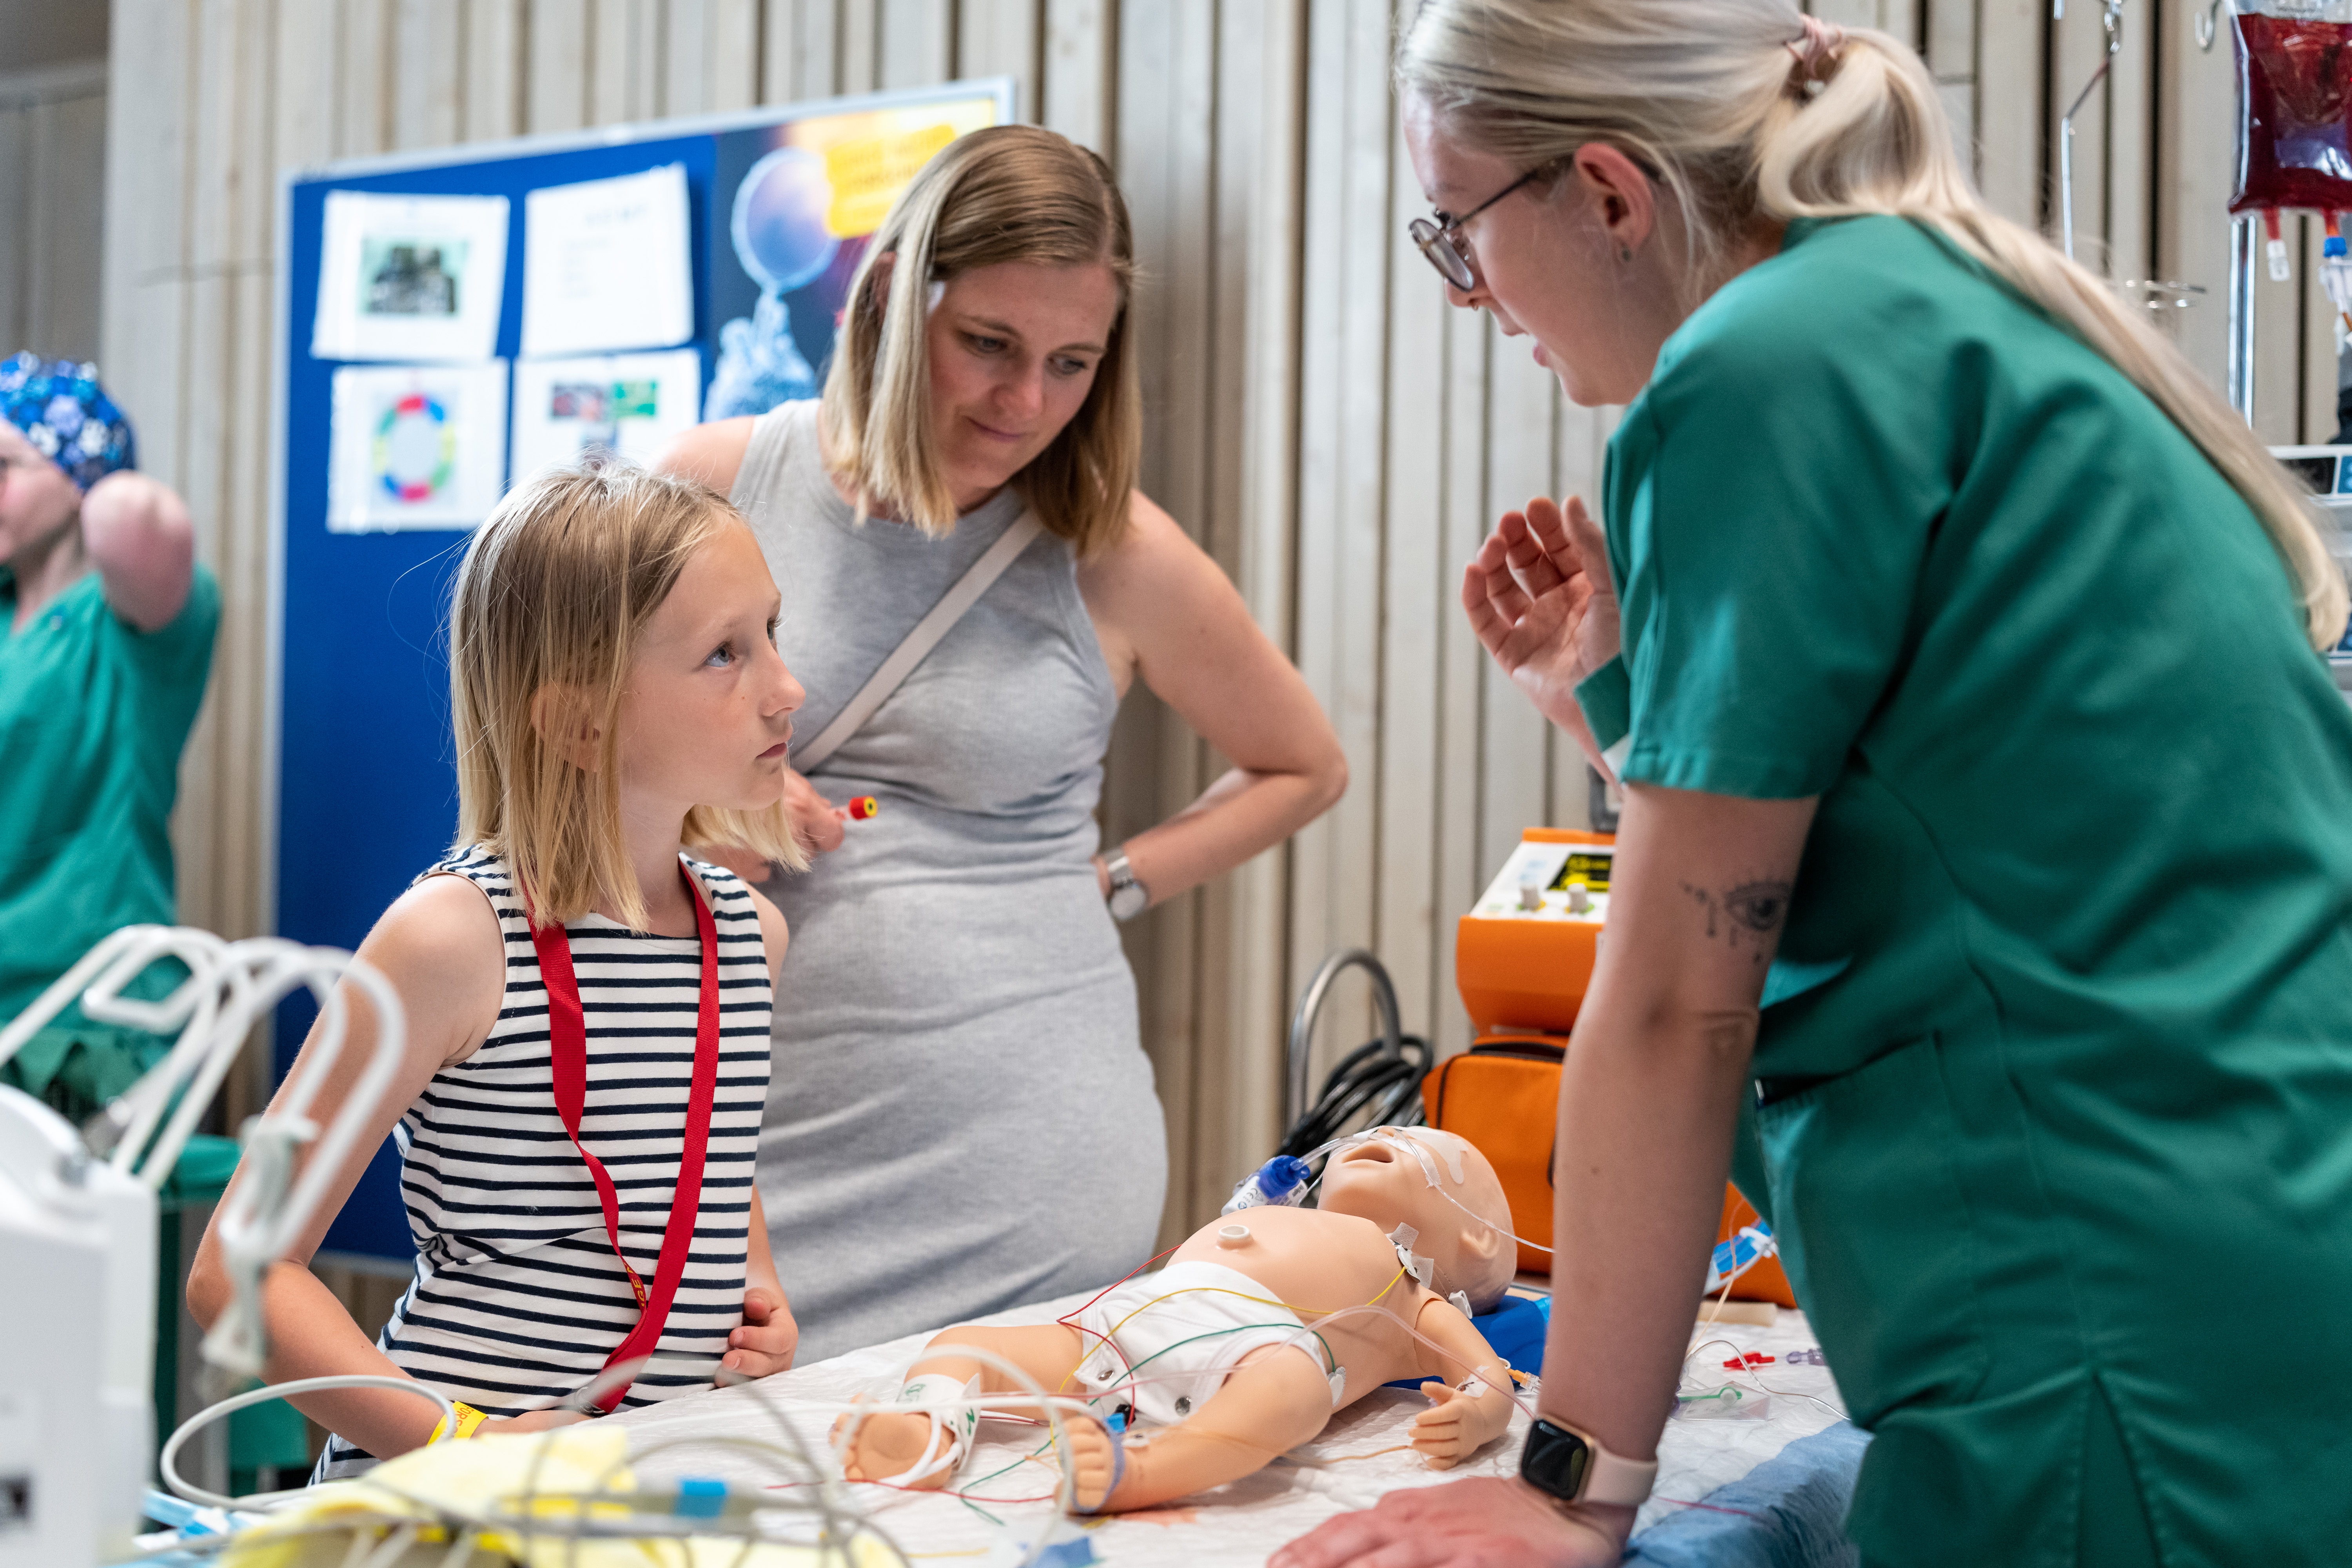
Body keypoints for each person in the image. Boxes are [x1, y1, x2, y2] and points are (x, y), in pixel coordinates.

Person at [1279, 4, 2352, 1566]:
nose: (1474, 297)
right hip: (2252, 1259)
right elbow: (1936, 819)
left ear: (1608, 192)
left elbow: (1671, 1001)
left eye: (1460, 235)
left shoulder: (1758, 369)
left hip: (2105, 1328)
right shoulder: (1961, 309)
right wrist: (1606, 699)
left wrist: (1569, 1486)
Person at [659, 125, 1348, 1361]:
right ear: (888, 299)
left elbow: (1306, 764)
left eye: (1072, 362)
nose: (1025, 402)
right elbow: (566, 769)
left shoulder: (1114, 551)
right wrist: (711, 809)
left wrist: (1111, 883)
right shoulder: (718, 483)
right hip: (744, 1166)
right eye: (988, 344)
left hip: (1028, 1171)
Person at [187, 465, 811, 1476]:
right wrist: (467, 1445)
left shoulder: (750, 936)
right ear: (576, 722)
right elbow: (235, 1271)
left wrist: (755, 1297)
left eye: (773, 633)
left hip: (633, 1492)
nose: (788, 687)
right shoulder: (449, 938)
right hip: (444, 1501)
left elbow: (704, 1162)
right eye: (725, 655)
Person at [835, 1126, 1519, 1512]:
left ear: (1476, 1240)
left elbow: (1487, 1376)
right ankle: (929, 1431)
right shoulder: (1297, 1217)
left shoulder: (1412, 1297)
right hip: (1136, 1316)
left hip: (1264, 1344)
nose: (1388, 1132)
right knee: (967, 1343)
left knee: (1294, 1391)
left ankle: (1145, 1473)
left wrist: (1481, 1414)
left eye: (1431, 1147)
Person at [0, 352, 216, 1119]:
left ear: (79, 473)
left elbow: (136, 522)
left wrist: (99, 473)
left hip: (83, 1019)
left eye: (7, 465)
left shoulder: (130, 625)